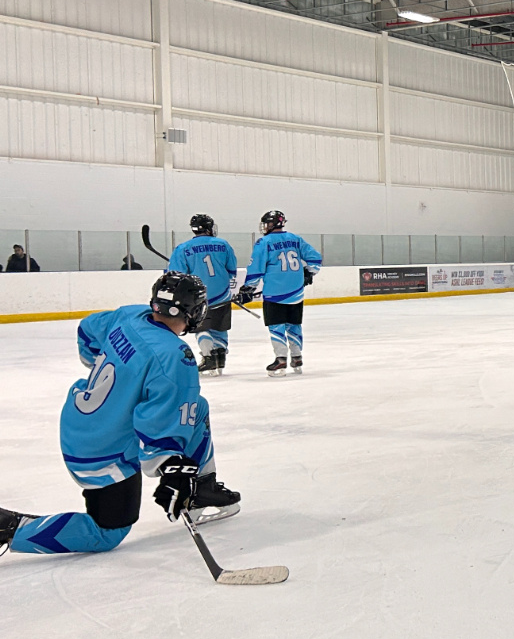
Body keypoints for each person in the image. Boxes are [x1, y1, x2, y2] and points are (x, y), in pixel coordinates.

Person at [0, 273, 241, 559]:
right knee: (107, 532)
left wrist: (115, 368)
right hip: (102, 453)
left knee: (196, 408)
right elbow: (159, 425)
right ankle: (11, 529)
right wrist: (170, 468)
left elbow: (87, 330)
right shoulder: (175, 355)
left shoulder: (131, 315)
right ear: (195, 311)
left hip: (80, 424)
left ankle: (203, 488)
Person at [239, 210, 322, 376]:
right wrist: (308, 272)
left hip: (275, 293)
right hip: (296, 292)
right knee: (294, 324)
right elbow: (315, 258)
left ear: (272, 224)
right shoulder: (295, 239)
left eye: (267, 224)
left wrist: (248, 288)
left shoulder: (264, 242)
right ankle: (297, 357)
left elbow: (256, 269)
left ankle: (281, 359)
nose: (264, 227)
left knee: (276, 326)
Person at [168, 213, 238, 376]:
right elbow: (232, 270)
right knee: (219, 327)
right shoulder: (223, 244)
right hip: (222, 294)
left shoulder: (183, 248)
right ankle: (220, 357)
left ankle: (208, 357)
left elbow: (177, 275)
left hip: (198, 297)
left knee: (201, 327)